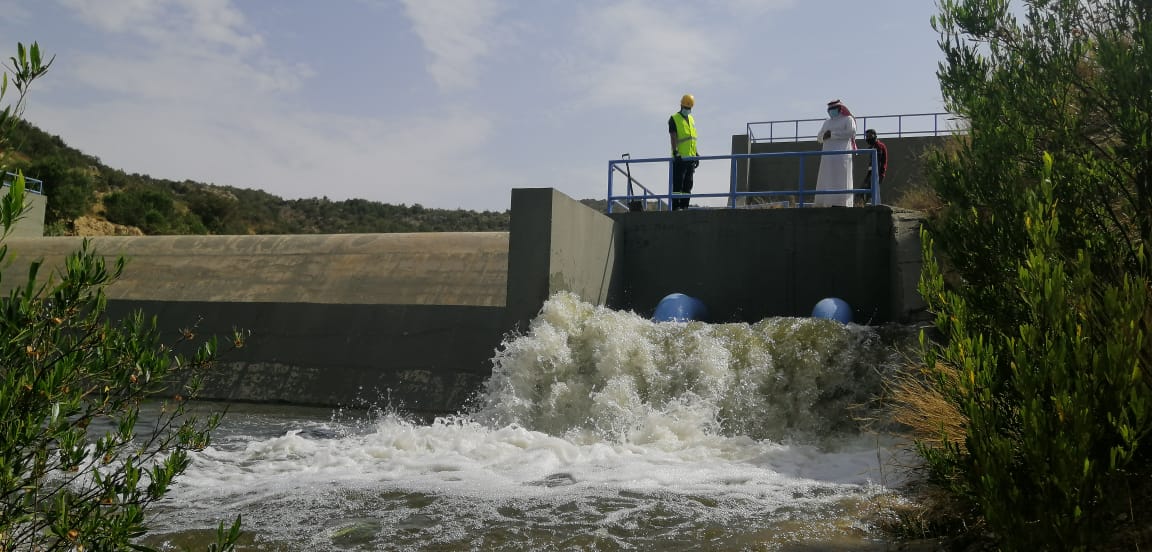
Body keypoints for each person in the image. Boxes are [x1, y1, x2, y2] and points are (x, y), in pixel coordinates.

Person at [814, 99, 857, 207]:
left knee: (841, 180)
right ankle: (825, 203)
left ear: (840, 108)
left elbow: (851, 132)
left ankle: (842, 203)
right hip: (828, 158)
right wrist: (824, 136)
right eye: (830, 109)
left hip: (842, 157)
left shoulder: (848, 119)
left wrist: (832, 134)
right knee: (827, 178)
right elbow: (819, 137)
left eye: (833, 109)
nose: (831, 111)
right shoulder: (827, 122)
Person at [668, 94, 698, 210]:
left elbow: (692, 138)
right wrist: (675, 152)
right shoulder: (674, 119)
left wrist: (696, 153)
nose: (687, 110)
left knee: (688, 185)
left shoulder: (691, 119)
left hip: (690, 159)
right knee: (678, 185)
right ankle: (676, 208)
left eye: (689, 108)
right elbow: (673, 136)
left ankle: (685, 207)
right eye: (686, 107)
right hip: (680, 159)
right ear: (681, 106)